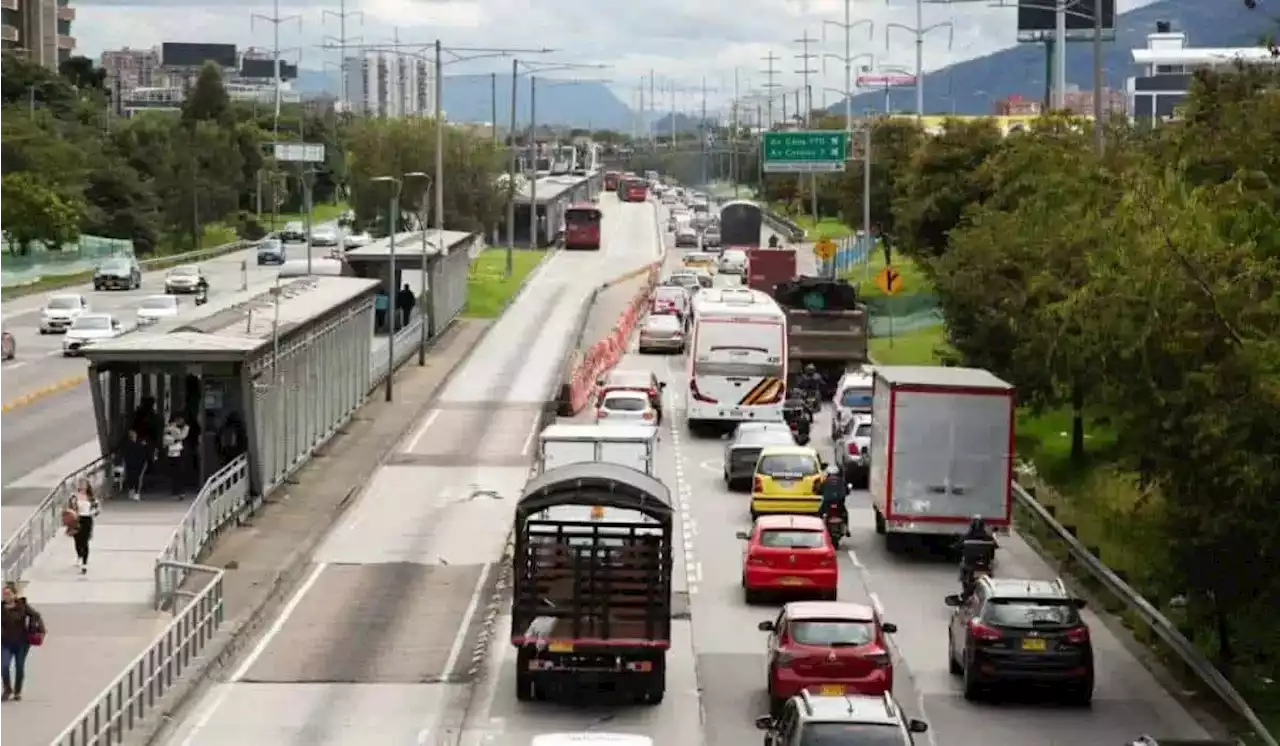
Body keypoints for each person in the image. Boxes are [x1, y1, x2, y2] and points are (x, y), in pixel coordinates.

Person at [0, 581, 44, 701]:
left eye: (8, 594)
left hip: (21, 642)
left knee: (19, 666)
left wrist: (34, 627)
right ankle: (7, 689)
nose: (5, 596)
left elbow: (36, 615)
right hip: (5, 642)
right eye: (4, 594)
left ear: (14, 595)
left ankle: (17, 691)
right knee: (4, 665)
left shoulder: (22, 606)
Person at [68, 482, 99, 573]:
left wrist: (92, 513)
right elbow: (69, 508)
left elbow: (97, 510)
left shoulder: (91, 498)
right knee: (77, 539)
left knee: (85, 541)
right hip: (77, 519)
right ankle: (79, 555)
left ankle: (84, 564)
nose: (82, 487)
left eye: (84, 485)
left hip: (87, 519)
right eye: (81, 485)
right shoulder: (74, 497)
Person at [164, 415, 189, 497]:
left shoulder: (185, 427)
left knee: (180, 471)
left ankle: (181, 490)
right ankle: (175, 489)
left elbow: (182, 436)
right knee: (173, 471)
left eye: (180, 419)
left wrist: (173, 434)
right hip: (171, 452)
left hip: (180, 452)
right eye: (177, 420)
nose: (178, 421)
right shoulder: (170, 428)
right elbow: (165, 438)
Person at [121, 429, 148, 501]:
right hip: (132, 463)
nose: (133, 435)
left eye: (133, 434)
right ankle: (133, 491)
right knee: (132, 477)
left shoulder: (139, 443)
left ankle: (136, 492)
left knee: (137, 478)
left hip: (138, 463)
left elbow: (144, 453)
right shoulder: (129, 444)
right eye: (132, 434)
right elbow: (125, 455)